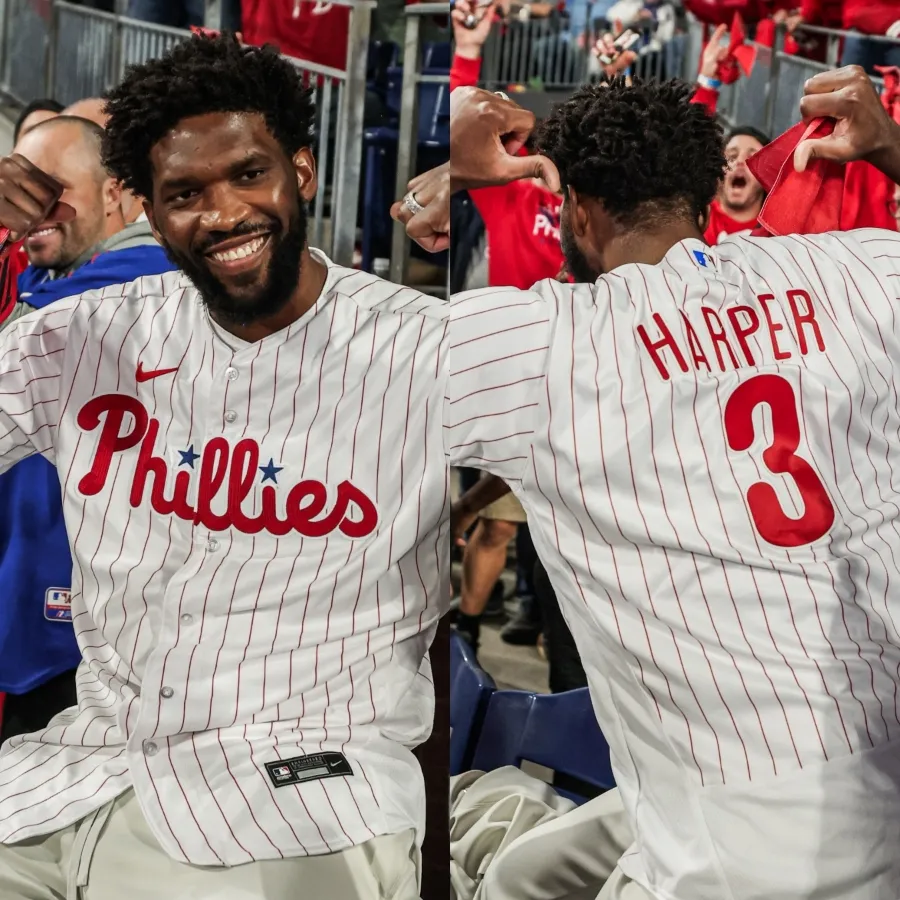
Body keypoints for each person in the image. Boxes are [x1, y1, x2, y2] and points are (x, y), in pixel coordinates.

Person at [407, 68, 900, 898]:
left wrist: (443, 171)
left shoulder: (547, 340)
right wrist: (890, 146)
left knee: (474, 843)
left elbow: (310, 370)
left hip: (739, 844)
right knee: (530, 867)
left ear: (575, 209)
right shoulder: (854, 271)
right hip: (879, 765)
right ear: (709, 195)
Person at [0, 33, 444, 900]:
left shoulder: (429, 349)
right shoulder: (78, 337)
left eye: (249, 174)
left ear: (303, 171)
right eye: (186, 194)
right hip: (76, 774)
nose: (226, 212)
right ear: (149, 211)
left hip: (299, 796)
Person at [0, 115, 177, 744]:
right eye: (20, 186)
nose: (32, 208)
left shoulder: (142, 281)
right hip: (35, 608)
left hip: (80, 640)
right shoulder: (47, 278)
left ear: (114, 191)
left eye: (49, 188)